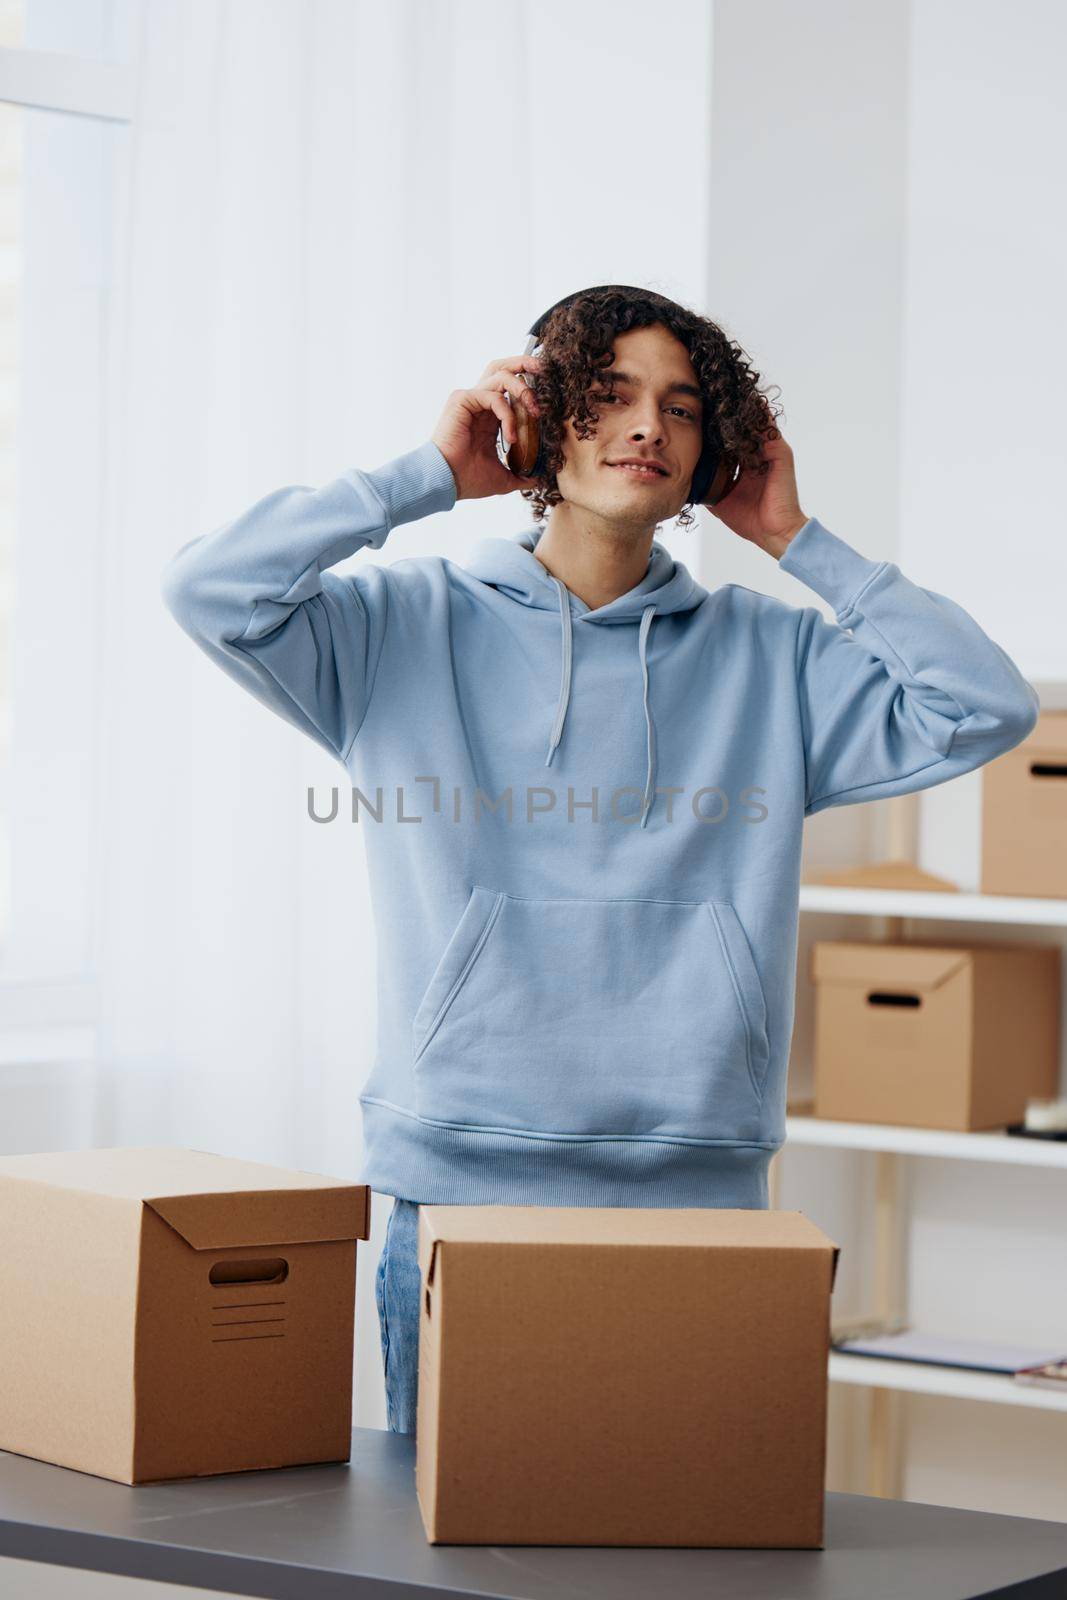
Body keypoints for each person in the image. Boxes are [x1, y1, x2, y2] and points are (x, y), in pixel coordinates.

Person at [161, 286, 1039, 1437]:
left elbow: (982, 706)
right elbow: (207, 589)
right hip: (461, 1181)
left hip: (701, 1188)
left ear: (709, 451)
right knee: (461, 1554)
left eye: (680, 408)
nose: (646, 429)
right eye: (610, 395)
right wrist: (425, 475)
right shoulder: (399, 629)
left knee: (685, 1552)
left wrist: (790, 538)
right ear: (540, 418)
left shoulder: (769, 658)